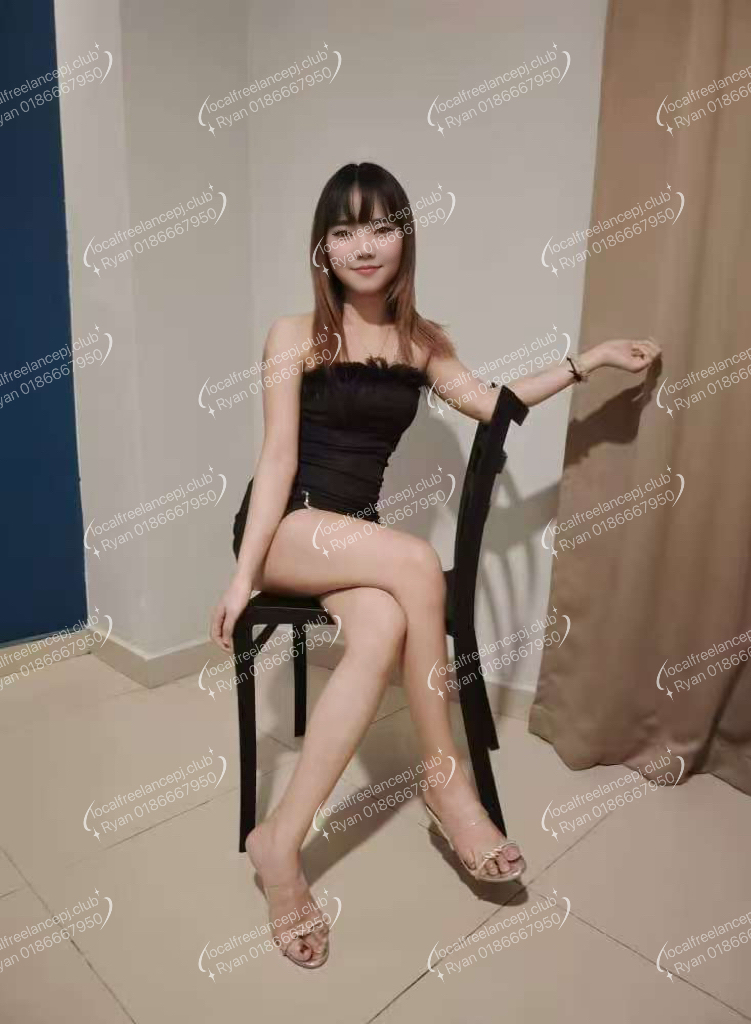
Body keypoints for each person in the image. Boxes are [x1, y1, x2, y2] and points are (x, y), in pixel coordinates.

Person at [210, 162, 660, 968]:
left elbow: (493, 403)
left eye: (380, 226)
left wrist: (587, 361)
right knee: (417, 559)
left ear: (404, 238)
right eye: (344, 230)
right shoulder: (293, 334)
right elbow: (276, 459)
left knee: (384, 621)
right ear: (322, 249)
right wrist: (244, 577)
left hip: (353, 535)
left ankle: (279, 841)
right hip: (287, 527)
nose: (363, 245)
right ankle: (447, 782)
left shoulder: (422, 343)